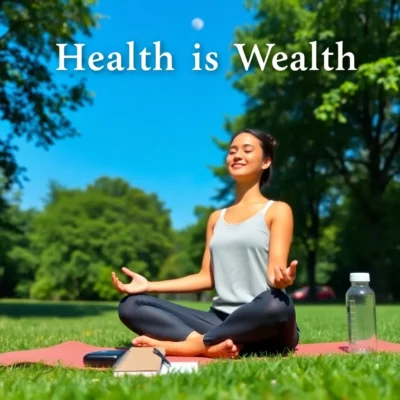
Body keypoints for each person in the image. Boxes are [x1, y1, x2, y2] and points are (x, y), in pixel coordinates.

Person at [111, 129, 299, 359]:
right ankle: (209, 345)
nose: (237, 155)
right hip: (219, 320)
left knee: (278, 304)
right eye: (232, 151)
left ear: (266, 161)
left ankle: (189, 346)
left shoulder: (277, 210)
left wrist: (282, 279)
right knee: (131, 304)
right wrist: (149, 285)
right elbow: (206, 278)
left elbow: (274, 275)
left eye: (247, 150)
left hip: (265, 324)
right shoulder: (216, 219)